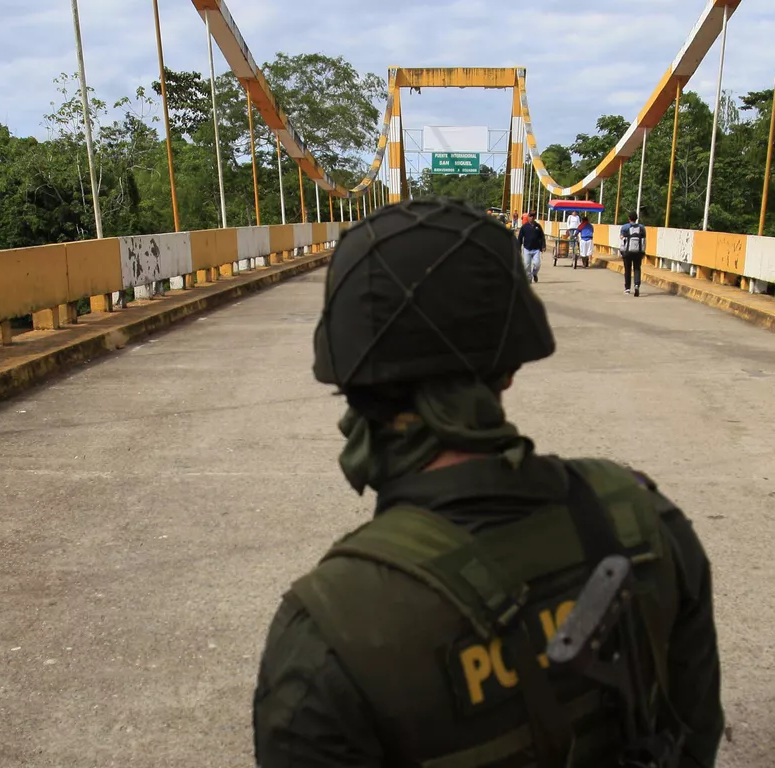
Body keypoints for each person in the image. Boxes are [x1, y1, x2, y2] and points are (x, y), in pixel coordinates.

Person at [254, 198, 723, 768]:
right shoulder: (646, 521)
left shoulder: (327, 634)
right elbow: (694, 735)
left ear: (347, 374)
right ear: (509, 362)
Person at [619, 210, 648, 296]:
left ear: (629, 218)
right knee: (637, 268)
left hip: (627, 252)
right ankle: (636, 285)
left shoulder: (625, 227)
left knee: (627, 269)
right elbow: (644, 240)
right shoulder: (642, 227)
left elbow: (621, 237)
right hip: (638, 252)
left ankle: (627, 288)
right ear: (636, 218)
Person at [518, 212, 546, 283]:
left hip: (536, 249)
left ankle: (534, 273)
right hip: (527, 248)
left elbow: (542, 237)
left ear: (535, 217)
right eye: (530, 216)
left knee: (537, 264)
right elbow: (520, 238)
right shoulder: (524, 227)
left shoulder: (538, 226)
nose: (532, 217)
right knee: (527, 265)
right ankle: (529, 277)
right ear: (528, 217)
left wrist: (543, 246)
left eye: (533, 216)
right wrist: (518, 247)